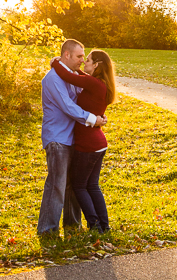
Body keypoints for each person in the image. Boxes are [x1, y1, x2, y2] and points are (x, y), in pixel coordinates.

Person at [37, 38, 107, 236]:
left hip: (74, 138)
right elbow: (69, 107)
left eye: (84, 57)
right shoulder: (52, 79)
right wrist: (94, 119)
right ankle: (48, 230)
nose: (81, 60)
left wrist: (98, 114)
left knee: (73, 185)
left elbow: (84, 98)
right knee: (57, 185)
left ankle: (72, 225)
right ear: (66, 55)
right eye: (78, 56)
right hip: (58, 138)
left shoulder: (71, 76)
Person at [50, 48, 116, 233]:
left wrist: (56, 61)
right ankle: (104, 226)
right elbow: (80, 75)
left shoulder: (93, 84)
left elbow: (68, 76)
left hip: (87, 144)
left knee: (79, 186)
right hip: (98, 143)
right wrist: (78, 69)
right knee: (92, 186)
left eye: (87, 60)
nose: (83, 63)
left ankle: (95, 225)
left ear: (96, 65)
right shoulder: (101, 84)